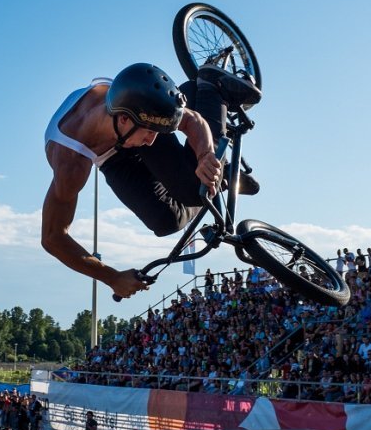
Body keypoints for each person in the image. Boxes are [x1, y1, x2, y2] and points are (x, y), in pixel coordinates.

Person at [42, 62, 260, 300]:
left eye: (156, 132)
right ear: (124, 119)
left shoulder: (141, 108)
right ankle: (221, 178)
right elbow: (53, 237)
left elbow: (191, 121)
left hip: (126, 129)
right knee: (165, 221)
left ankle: (211, 88)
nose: (152, 140)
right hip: (108, 153)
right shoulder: (71, 162)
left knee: (192, 189)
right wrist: (111, 277)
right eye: (150, 132)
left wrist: (206, 155)